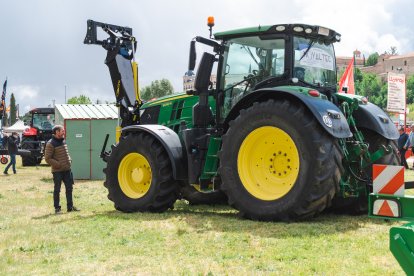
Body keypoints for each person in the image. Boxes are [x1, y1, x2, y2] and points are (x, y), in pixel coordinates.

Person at [44, 125, 79, 214]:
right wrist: (58, 164)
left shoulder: (63, 141)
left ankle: (70, 207)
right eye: (62, 131)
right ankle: (57, 208)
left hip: (67, 170)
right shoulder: (50, 143)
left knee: (69, 188)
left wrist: (69, 159)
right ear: (57, 132)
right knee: (57, 190)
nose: (64, 132)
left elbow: (66, 153)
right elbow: (47, 158)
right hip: (57, 171)